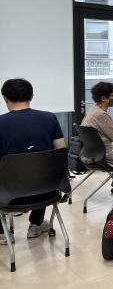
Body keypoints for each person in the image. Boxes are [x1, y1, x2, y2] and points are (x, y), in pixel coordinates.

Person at [0, 78, 66, 244]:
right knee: (42, 168)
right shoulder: (49, 118)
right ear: (31, 96)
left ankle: (2, 233)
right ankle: (36, 224)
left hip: (8, 196)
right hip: (48, 191)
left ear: (5, 97)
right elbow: (61, 153)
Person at [81, 82, 113, 164]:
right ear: (103, 98)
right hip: (109, 155)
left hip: (93, 155)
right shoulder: (101, 115)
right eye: (112, 96)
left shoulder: (92, 111)